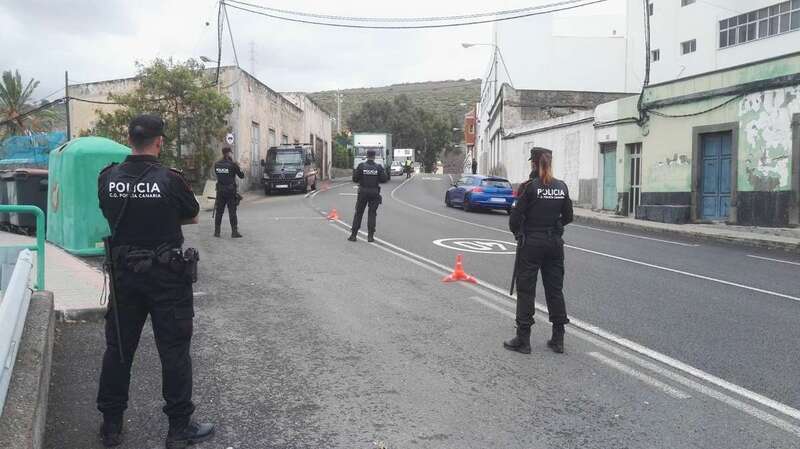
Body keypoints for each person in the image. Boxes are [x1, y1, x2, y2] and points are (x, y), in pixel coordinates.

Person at [96, 114, 214, 448]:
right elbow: (191, 212)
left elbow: (108, 210)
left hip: (124, 278)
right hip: (167, 279)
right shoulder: (170, 179)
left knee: (118, 349)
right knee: (174, 352)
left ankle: (111, 427)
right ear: (159, 141)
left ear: (129, 140)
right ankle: (178, 430)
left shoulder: (108, 178)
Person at [504, 147, 574, 355]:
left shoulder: (529, 187)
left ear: (534, 164)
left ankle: (523, 340)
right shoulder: (561, 187)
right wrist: (556, 227)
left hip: (532, 243)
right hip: (554, 243)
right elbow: (568, 216)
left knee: (526, 290)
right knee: (555, 289)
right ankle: (558, 338)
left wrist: (519, 234)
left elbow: (515, 218)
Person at [348, 149, 388, 242]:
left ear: (367, 156)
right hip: (374, 193)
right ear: (374, 157)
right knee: (372, 214)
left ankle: (353, 235)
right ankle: (370, 236)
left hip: (363, 192)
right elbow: (384, 179)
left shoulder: (361, 166)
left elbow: (355, 179)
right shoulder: (378, 167)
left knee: (358, 213)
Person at [213, 147, 244, 238]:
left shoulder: (217, 164)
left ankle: (217, 232)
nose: (231, 154)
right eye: (231, 153)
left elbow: (218, 175)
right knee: (232, 212)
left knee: (219, 212)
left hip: (220, 191)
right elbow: (241, 175)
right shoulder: (232, 165)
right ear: (228, 153)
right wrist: (238, 165)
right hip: (230, 191)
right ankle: (234, 232)